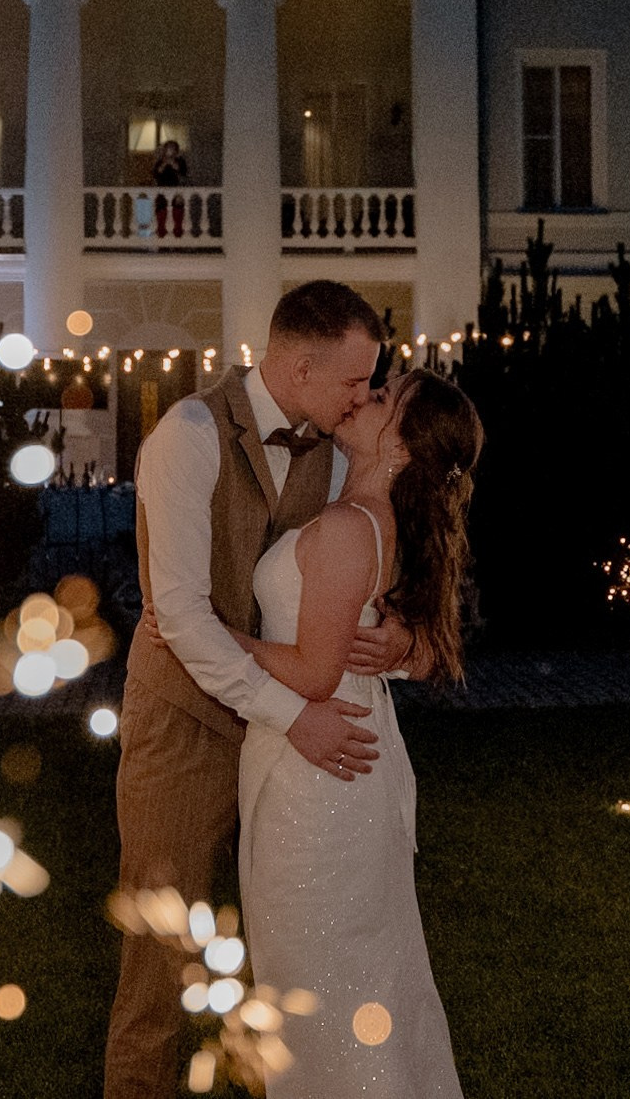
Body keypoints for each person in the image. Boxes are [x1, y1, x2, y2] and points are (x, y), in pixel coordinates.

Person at [104, 280, 412, 1099]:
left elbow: (381, 552)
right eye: (353, 380)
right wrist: (295, 712)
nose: (364, 396)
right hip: (186, 720)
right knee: (161, 945)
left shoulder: (336, 439)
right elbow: (178, 615)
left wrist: (403, 635)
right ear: (297, 365)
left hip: (288, 732)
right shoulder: (188, 435)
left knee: (298, 935)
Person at [229, 367, 478, 1096]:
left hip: (325, 766)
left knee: (318, 976)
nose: (360, 393)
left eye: (380, 396)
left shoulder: (353, 517)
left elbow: (312, 670)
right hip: (336, 751)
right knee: (346, 970)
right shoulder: (358, 490)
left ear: (401, 444)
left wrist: (199, 632)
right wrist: (402, 638)